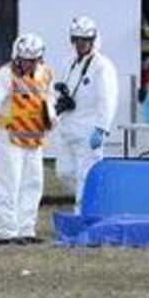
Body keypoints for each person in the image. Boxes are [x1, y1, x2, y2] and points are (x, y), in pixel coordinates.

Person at [0, 34, 57, 245]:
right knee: (9, 183)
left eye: (32, 60)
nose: (28, 64)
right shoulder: (5, 74)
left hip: (34, 138)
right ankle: (6, 232)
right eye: (25, 60)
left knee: (33, 184)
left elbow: (49, 98)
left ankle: (26, 229)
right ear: (17, 56)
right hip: (8, 137)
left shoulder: (46, 74)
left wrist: (51, 116)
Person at [54, 16, 119, 212]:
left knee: (86, 175)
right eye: (77, 40)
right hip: (68, 129)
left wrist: (101, 128)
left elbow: (108, 98)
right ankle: (97, 198)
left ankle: (83, 215)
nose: (81, 44)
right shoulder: (70, 63)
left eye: (85, 40)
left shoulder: (102, 65)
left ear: (93, 40)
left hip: (89, 131)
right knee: (64, 172)